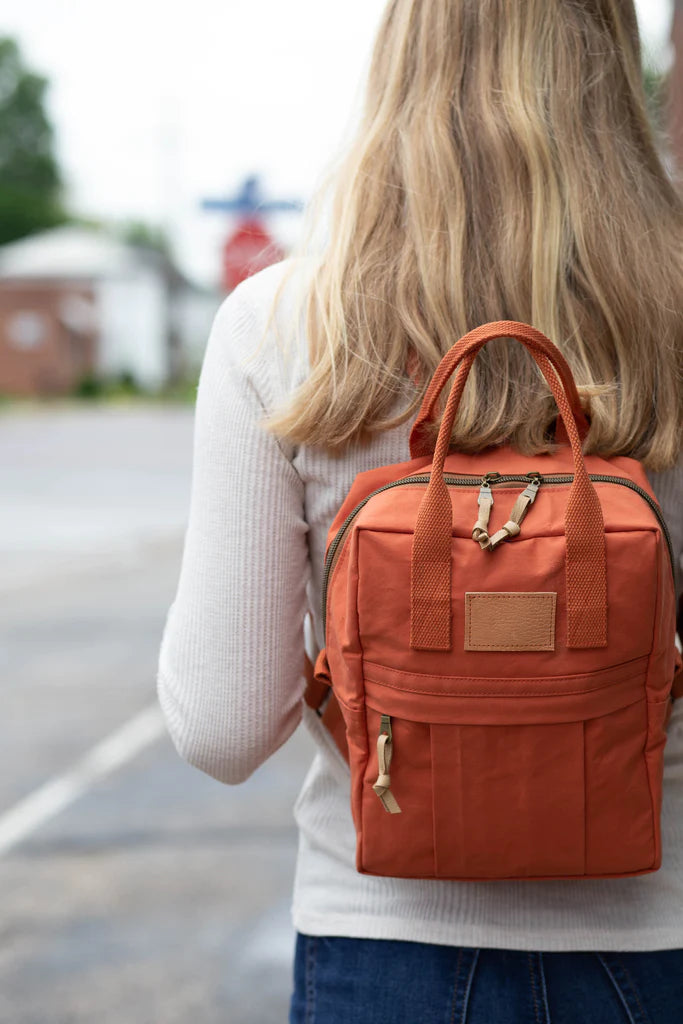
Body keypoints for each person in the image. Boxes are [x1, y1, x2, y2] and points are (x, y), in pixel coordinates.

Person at [157, 1, 683, 1020]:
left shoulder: (280, 326)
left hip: (382, 946)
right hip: (657, 941)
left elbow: (221, 725)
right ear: (613, 65)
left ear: (400, 61)